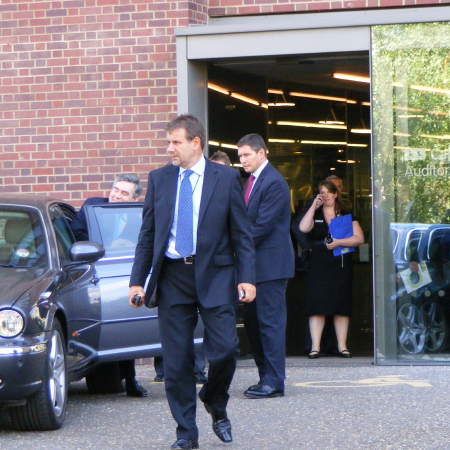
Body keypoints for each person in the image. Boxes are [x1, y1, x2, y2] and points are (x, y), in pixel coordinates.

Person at [128, 114, 256, 450]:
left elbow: (241, 233)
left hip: (215, 274)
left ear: (195, 142)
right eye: (168, 142)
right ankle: (186, 432)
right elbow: (148, 233)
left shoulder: (226, 178)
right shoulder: (160, 179)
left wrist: (248, 277)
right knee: (177, 360)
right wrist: (137, 281)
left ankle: (215, 400)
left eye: (175, 142)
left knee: (226, 350)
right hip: (173, 277)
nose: (169, 148)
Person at [71, 173, 148, 398]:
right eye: (115, 189)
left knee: (127, 326)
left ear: (134, 200)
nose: (115, 195)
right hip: (91, 276)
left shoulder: (138, 217)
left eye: (123, 192)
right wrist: (110, 244)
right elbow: (76, 234)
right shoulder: (92, 206)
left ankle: (131, 379)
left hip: (121, 275)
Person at [237, 133, 295, 399]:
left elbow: (261, 227)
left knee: (269, 323)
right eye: (240, 156)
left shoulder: (274, 182)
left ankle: (274, 381)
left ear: (262, 153)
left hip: (271, 267)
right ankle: (265, 377)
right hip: (254, 268)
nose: (243, 160)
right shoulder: (251, 181)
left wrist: (233, 243)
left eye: (247, 155)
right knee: (254, 323)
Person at [299, 179, 364, 359]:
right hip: (318, 263)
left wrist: (339, 242)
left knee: (341, 304)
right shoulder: (316, 212)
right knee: (317, 304)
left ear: (336, 194)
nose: (325, 195)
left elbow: (359, 238)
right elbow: (303, 228)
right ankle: (315, 347)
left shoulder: (345, 213)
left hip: (340, 262)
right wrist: (313, 207)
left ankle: (342, 346)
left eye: (329, 192)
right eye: (322, 192)